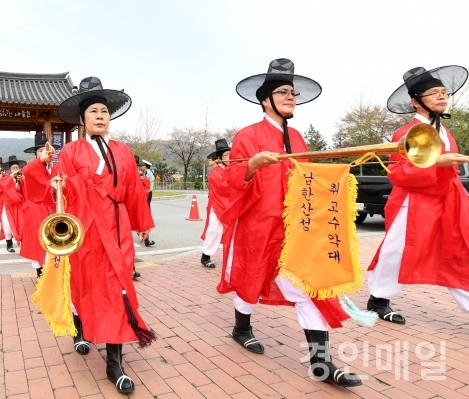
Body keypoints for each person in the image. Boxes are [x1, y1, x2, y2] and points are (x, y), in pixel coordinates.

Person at [218, 59, 362, 387]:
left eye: (292, 92)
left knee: (309, 286)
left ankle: (321, 363)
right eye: (282, 92)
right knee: (250, 277)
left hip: (297, 226)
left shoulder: (297, 137)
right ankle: (242, 327)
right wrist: (251, 165)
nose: (290, 97)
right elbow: (230, 181)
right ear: (265, 99)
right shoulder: (247, 135)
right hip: (258, 222)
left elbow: (309, 180)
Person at [50, 76, 155, 393]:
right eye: (93, 111)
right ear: (82, 119)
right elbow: (62, 190)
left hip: (118, 228)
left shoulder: (123, 151)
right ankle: (81, 327)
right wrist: (57, 185)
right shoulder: (70, 152)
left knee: (118, 289)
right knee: (84, 285)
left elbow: (134, 190)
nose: (100, 116)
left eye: (104, 111)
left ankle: (114, 362)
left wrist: (141, 223)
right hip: (86, 230)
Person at [367, 65, 469, 324]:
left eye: (444, 92)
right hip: (415, 201)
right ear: (416, 101)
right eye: (434, 93)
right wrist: (439, 163)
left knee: (458, 248)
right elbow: (398, 173)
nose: (442, 97)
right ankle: (378, 298)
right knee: (399, 249)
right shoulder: (406, 133)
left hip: (448, 198)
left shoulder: (445, 132)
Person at [20, 133, 59, 278]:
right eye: (41, 151)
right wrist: (41, 160)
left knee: (54, 241)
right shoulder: (32, 168)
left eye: (48, 150)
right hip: (36, 210)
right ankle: (40, 274)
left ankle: (53, 272)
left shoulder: (56, 169)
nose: (45, 153)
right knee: (38, 242)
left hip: (52, 209)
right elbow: (27, 171)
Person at [200, 139, 231, 268]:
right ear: (219, 158)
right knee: (214, 230)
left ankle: (232, 256)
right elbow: (223, 187)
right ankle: (205, 256)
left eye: (231, 154)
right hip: (218, 204)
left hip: (231, 205)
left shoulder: (234, 168)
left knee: (233, 232)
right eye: (226, 155)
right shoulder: (216, 171)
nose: (229, 157)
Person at [0, 156, 25, 253]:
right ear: (9, 170)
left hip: (20, 204)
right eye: (13, 168)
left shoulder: (21, 178)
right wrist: (11, 177)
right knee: (8, 225)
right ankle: (9, 244)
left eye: (17, 168)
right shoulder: (6, 178)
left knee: (21, 223)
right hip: (9, 205)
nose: (15, 169)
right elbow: (3, 186)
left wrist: (22, 179)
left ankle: (23, 243)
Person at [140, 160, 156, 247]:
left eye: (142, 165)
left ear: (145, 166)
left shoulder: (148, 174)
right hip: (146, 193)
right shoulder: (146, 173)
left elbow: (146, 185)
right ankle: (145, 237)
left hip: (147, 193)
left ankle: (146, 237)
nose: (141, 167)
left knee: (146, 213)